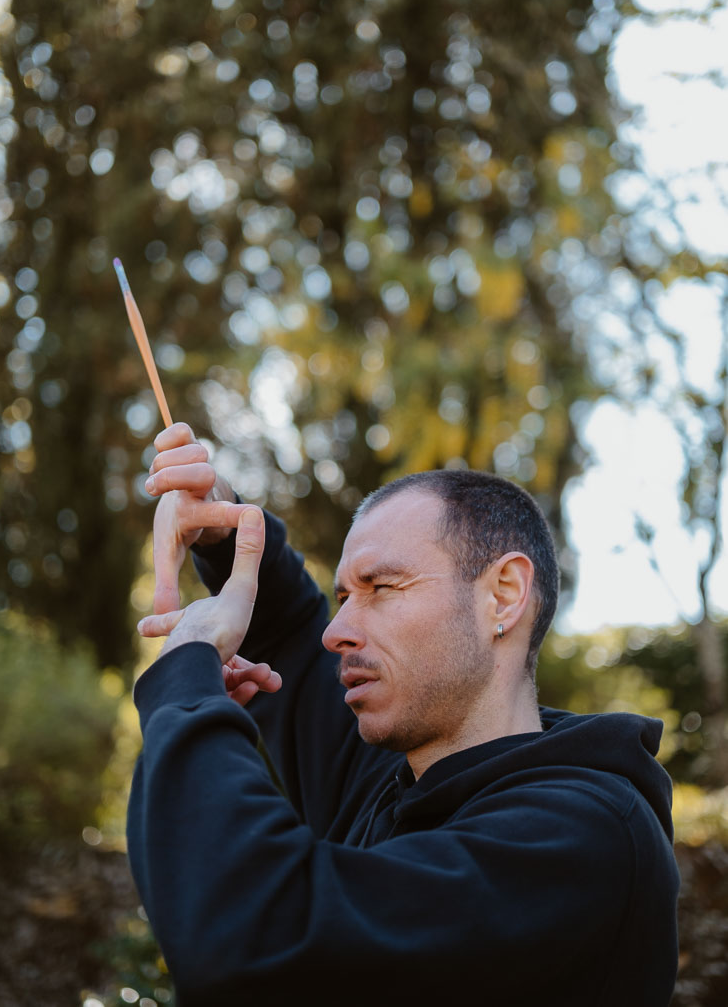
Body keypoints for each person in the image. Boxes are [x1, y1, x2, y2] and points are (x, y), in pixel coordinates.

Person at [126, 422, 679, 1006]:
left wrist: (187, 677)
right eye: (343, 598)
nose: (336, 631)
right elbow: (289, 631)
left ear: (504, 594)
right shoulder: (385, 779)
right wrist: (222, 528)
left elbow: (258, 942)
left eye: (382, 587)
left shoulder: (580, 840)